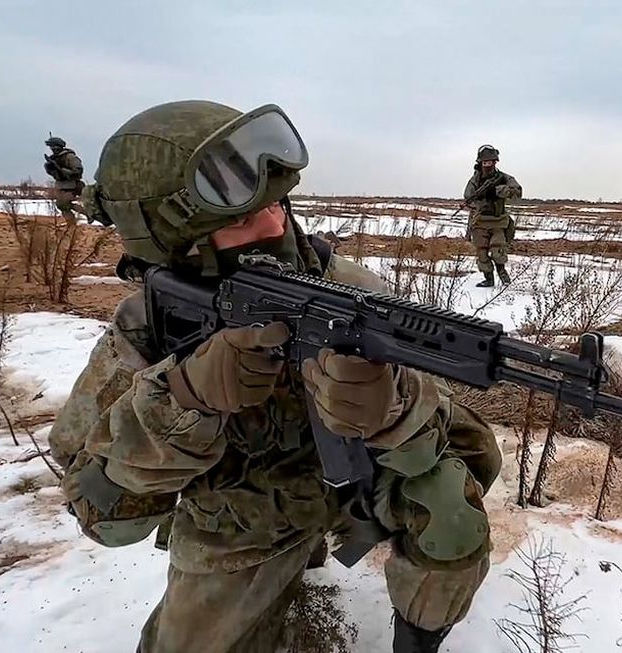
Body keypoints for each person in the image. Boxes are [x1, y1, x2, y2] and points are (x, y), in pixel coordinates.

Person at [48, 100, 502, 653]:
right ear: (176, 245)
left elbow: (474, 446)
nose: (274, 224)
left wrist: (396, 407)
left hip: (353, 487)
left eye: (278, 205)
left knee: (451, 510)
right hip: (237, 521)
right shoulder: (146, 326)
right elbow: (103, 515)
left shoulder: (351, 290)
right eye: (240, 218)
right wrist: (183, 399)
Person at [462, 145, 522, 287]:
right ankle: (489, 279)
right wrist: (480, 201)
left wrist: (499, 191)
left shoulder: (504, 178)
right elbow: (468, 198)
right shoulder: (475, 181)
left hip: (498, 222)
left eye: (490, 162)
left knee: (497, 251)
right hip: (480, 221)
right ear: (480, 163)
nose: (487, 165)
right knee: (482, 254)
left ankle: (503, 274)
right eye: (485, 162)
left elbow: (517, 191)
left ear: (495, 162)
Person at [43, 135, 85, 221]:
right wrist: (50, 168)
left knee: (62, 204)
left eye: (53, 147)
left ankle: (86, 213)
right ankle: (71, 223)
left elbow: (78, 171)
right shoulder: (54, 158)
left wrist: (61, 169)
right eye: (51, 147)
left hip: (72, 186)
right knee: (61, 205)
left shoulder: (70, 157)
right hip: (61, 186)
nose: (52, 149)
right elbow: (55, 174)